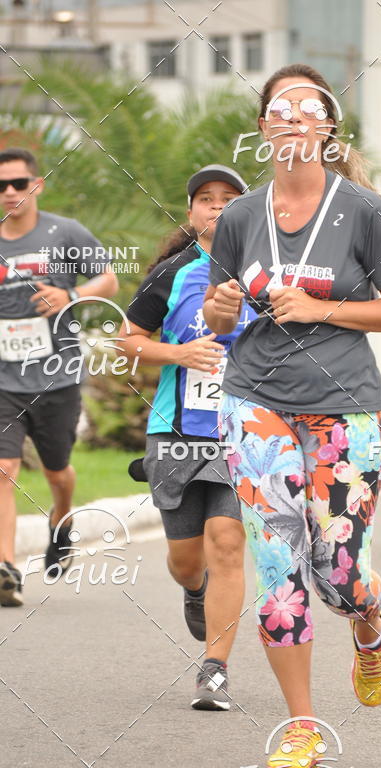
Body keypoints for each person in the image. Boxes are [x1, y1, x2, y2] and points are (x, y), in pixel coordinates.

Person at [203, 63, 381, 768]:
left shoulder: (360, 210)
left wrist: (321, 308)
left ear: (328, 127)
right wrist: (220, 309)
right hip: (254, 401)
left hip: (342, 405)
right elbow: (218, 313)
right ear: (263, 127)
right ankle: (302, 726)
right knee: (278, 565)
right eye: (280, 107)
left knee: (340, 573)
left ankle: (368, 622)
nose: (293, 116)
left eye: (308, 106)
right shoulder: (240, 217)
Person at [120, 165, 253, 711]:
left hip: (243, 432)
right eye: (206, 198)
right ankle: (195, 590)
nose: (217, 206)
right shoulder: (172, 273)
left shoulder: (265, 271)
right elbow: (128, 340)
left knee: (227, 542)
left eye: (229, 198)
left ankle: (215, 670)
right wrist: (178, 352)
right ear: (191, 211)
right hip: (175, 431)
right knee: (185, 559)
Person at [0, 147, 118, 607]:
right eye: (1, 185)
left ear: (37, 185)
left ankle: (62, 518)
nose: (10, 192)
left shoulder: (64, 232)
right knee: (5, 469)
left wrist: (70, 294)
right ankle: (7, 569)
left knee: (58, 472)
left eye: (19, 183)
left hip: (57, 376)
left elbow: (108, 280)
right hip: (4, 378)